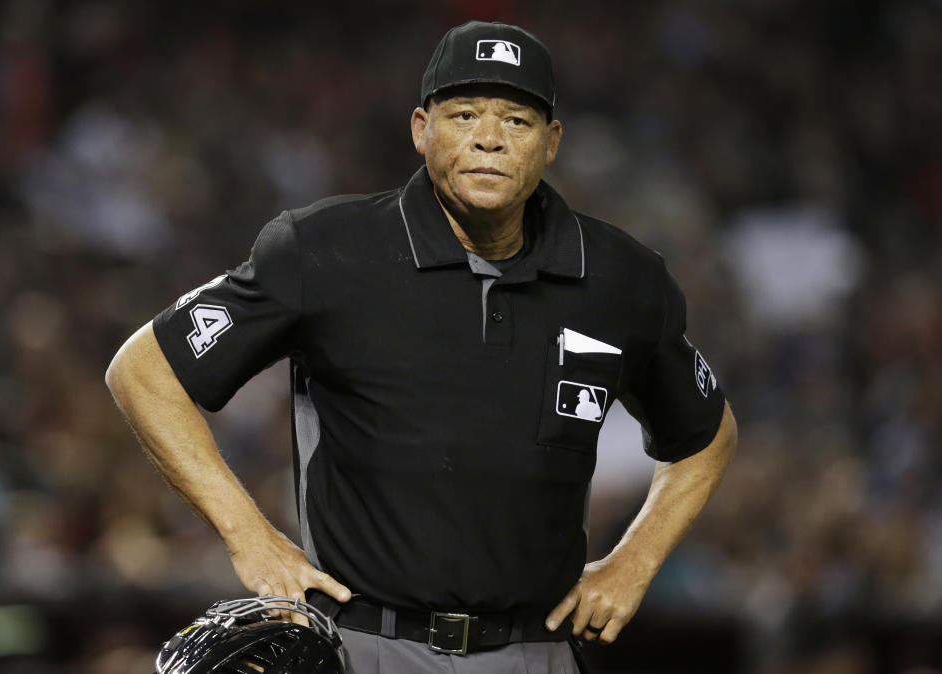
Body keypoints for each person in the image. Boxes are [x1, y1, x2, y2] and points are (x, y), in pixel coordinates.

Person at [106, 20, 737, 674]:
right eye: (464, 114)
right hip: (365, 645)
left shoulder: (619, 278)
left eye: (516, 121)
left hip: (535, 650)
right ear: (420, 129)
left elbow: (706, 435)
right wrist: (249, 536)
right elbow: (146, 371)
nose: (489, 138)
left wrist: (635, 561)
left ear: (550, 144)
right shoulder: (325, 249)